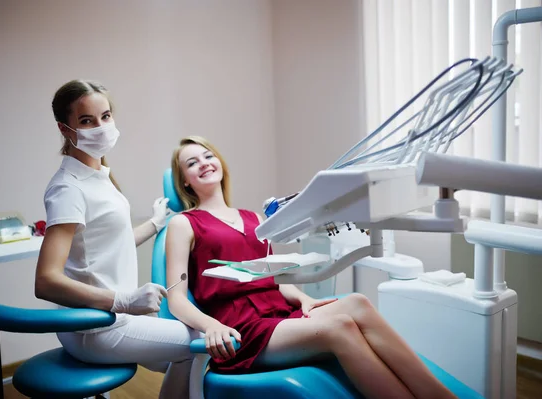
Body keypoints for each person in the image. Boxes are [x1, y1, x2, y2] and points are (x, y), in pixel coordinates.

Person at [165, 136, 458, 399]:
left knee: (357, 303)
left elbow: (275, 278)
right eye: (192, 162)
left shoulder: (255, 218)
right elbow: (176, 298)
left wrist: (304, 299)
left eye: (208, 155)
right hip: (241, 329)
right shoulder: (184, 223)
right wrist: (211, 326)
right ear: (185, 181)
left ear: (220, 163)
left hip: (279, 313)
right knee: (339, 328)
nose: (203, 163)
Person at [35, 80, 201, 399]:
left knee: (190, 358)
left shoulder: (99, 175)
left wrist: (155, 223)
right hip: (94, 328)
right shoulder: (68, 188)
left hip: (113, 319)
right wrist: (124, 301)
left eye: (106, 116)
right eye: (87, 121)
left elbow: (107, 244)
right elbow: (45, 281)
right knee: (200, 344)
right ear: (65, 128)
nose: (101, 127)